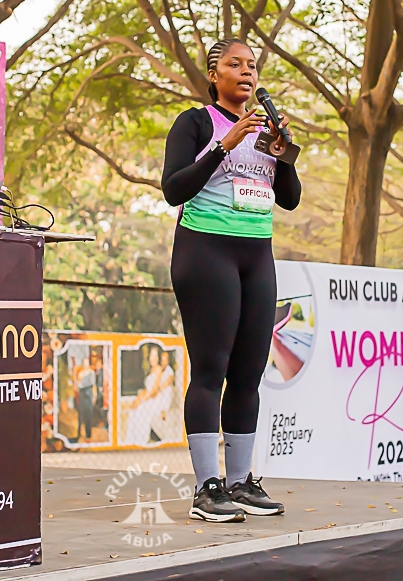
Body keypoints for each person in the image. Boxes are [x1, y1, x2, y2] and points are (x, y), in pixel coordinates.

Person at [162, 39, 301, 523]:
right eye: (235, 64)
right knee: (211, 370)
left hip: (256, 255)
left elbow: (289, 199)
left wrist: (283, 153)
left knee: (248, 373)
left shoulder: (266, 130)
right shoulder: (196, 122)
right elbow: (173, 188)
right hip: (206, 252)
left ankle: (241, 482)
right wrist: (225, 144)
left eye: (252, 66)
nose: (247, 72)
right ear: (214, 74)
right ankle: (207, 488)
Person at [124, 347, 175, 445]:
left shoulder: (159, 369)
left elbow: (154, 390)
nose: (153, 358)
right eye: (151, 355)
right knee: (133, 410)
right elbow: (146, 389)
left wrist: (142, 400)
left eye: (155, 356)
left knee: (140, 410)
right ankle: (131, 440)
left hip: (154, 400)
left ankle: (141, 440)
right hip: (147, 397)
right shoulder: (151, 369)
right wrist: (138, 399)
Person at [74, 356, 96, 440]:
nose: (86, 364)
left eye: (87, 363)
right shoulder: (80, 373)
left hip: (89, 393)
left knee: (89, 415)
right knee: (81, 414)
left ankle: (88, 435)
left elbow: (93, 385)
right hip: (82, 394)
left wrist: (94, 396)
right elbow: (78, 386)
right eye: (84, 363)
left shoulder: (91, 373)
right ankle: (78, 434)